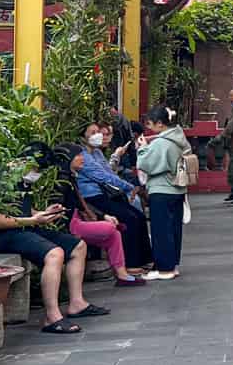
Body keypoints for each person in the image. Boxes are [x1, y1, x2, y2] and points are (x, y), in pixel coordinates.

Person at [0, 174, 104, 333]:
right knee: (55, 254)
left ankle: (77, 304)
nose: (37, 173)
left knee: (78, 246)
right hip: (3, 235)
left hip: (26, 228)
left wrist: (44, 213)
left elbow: (23, 209)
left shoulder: (23, 182)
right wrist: (33, 220)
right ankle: (52, 317)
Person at [75, 123, 152, 273]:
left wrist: (127, 186)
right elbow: (102, 176)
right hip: (92, 197)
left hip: (107, 193)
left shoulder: (97, 153)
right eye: (93, 132)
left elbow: (109, 173)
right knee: (129, 218)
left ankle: (145, 259)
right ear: (83, 136)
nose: (98, 135)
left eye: (98, 132)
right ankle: (130, 263)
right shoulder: (82, 156)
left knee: (139, 216)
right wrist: (130, 187)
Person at [63, 150, 137, 286]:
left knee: (114, 234)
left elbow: (83, 205)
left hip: (80, 218)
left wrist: (103, 216)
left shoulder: (72, 177)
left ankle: (122, 275)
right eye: (78, 155)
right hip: (69, 223)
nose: (82, 159)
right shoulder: (63, 181)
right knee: (111, 227)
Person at [135, 105, 190, 282]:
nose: (149, 128)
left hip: (162, 189)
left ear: (160, 123)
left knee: (161, 230)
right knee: (174, 229)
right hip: (177, 189)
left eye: (150, 124)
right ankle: (172, 265)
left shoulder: (162, 143)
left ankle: (164, 269)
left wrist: (142, 149)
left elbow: (146, 164)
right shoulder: (179, 139)